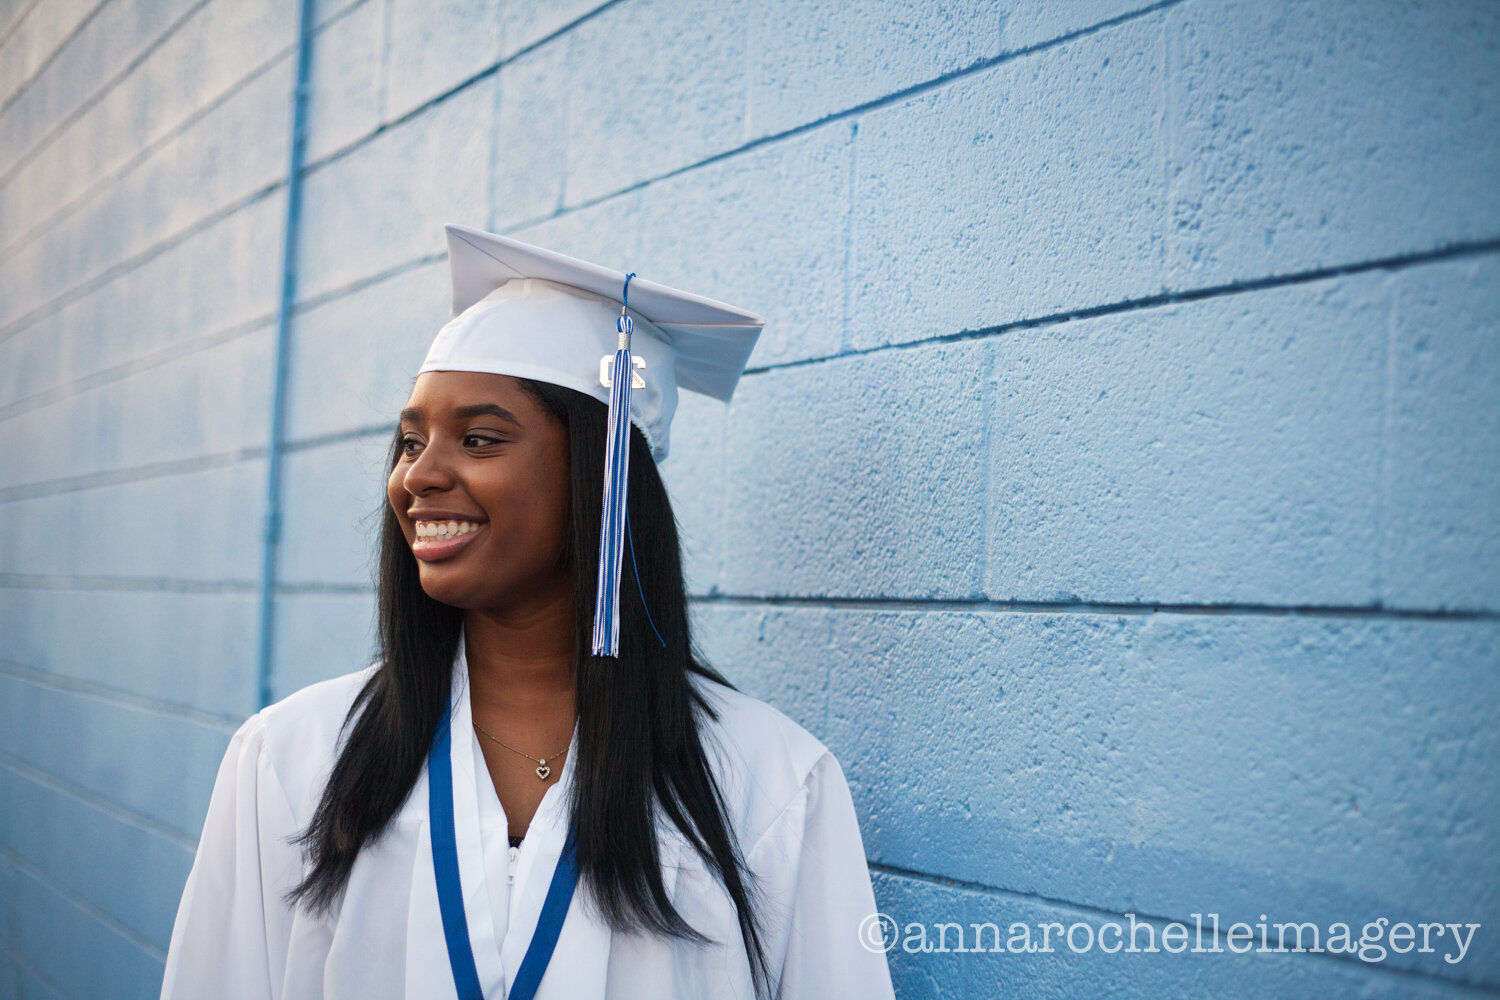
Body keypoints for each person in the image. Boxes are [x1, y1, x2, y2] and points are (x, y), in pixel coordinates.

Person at [159, 226, 896, 999]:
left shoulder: (769, 786)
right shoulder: (292, 760)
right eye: (410, 443)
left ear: (600, 477)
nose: (419, 476)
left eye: (478, 438)